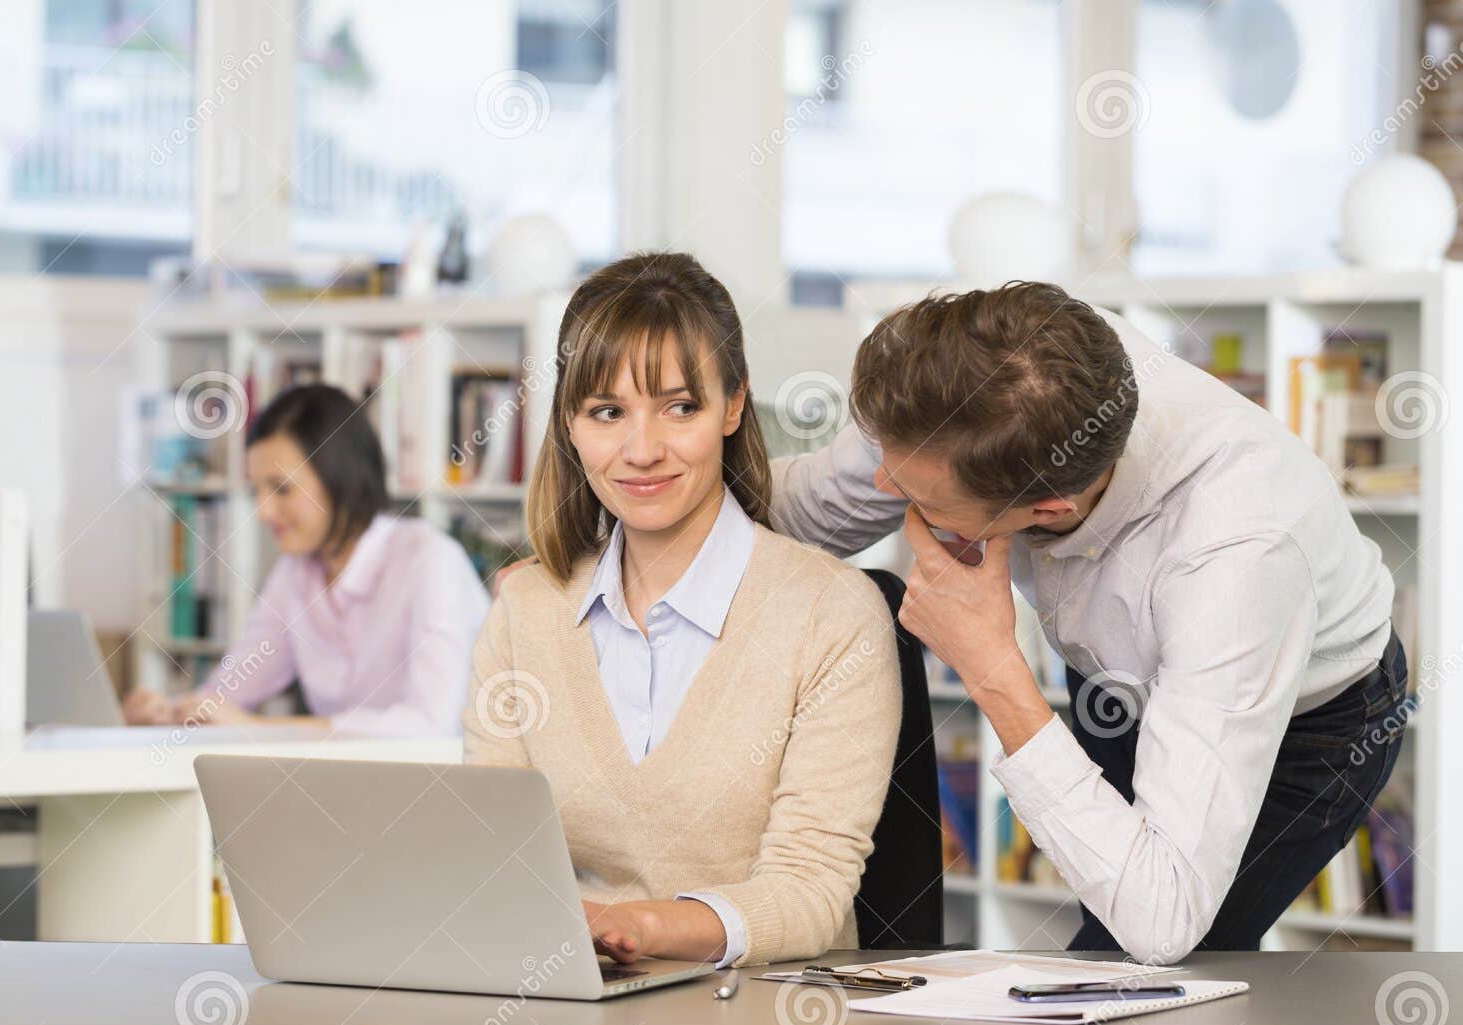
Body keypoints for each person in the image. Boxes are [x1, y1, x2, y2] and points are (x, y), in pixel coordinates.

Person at [772, 281, 1407, 964]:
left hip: (1310, 720)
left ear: (1047, 508)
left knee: (1145, 964)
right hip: (1114, 674)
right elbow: (810, 507)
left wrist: (989, 665)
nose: (883, 490)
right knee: (1116, 942)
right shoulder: (982, 373)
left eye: (920, 495)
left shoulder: (1234, 559)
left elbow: (1161, 917)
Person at [465, 252, 901, 968]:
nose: (643, 450)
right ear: (571, 425)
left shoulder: (832, 614)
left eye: (680, 407)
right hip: (567, 1007)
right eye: (607, 412)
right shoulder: (525, 611)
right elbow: (492, 852)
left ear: (733, 405)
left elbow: (809, 891)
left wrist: (637, 926)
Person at [124, 384, 489, 736]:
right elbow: (228, 695)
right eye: (257, 490)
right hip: (350, 786)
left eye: (282, 489)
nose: (264, 512)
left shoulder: (430, 561)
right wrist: (172, 714)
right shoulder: (297, 573)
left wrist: (263, 731)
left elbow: (431, 725)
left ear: (340, 480)